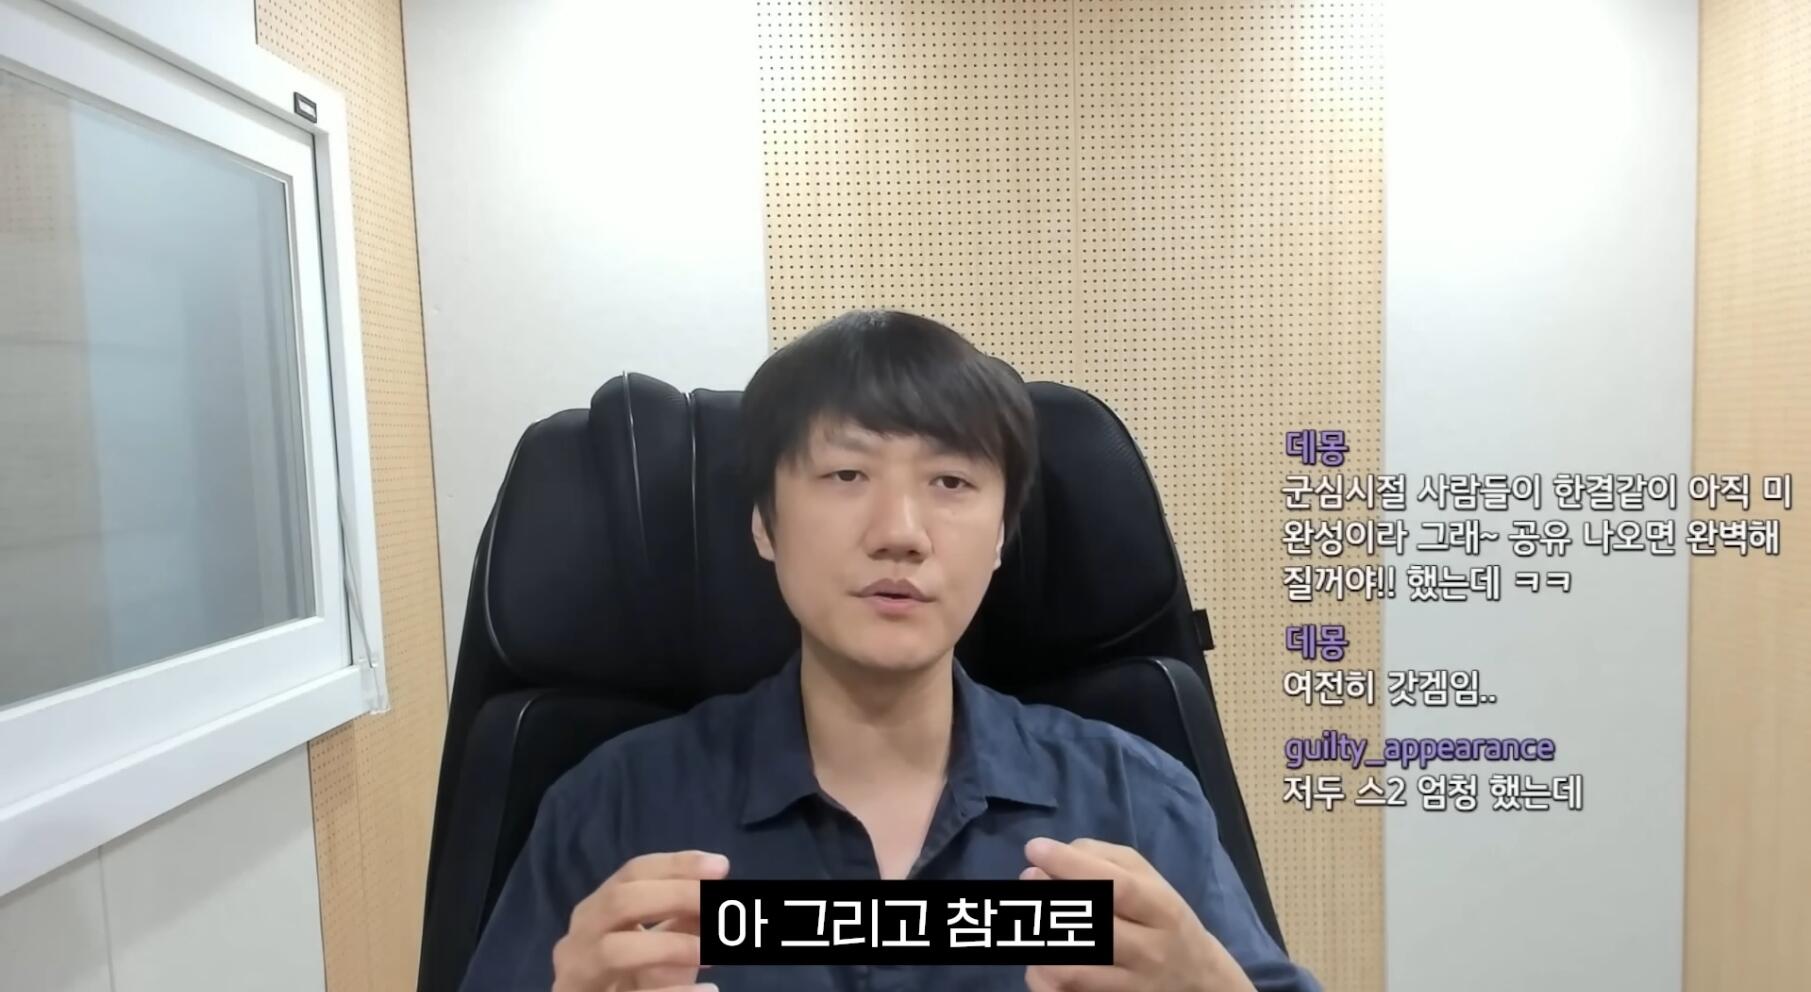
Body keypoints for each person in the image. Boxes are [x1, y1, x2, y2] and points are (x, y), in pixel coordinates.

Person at [458, 310, 1320, 992]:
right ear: (764, 524)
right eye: (846, 474)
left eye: (950, 482)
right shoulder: (612, 808)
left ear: (999, 537)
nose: (900, 532)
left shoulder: (1134, 798)